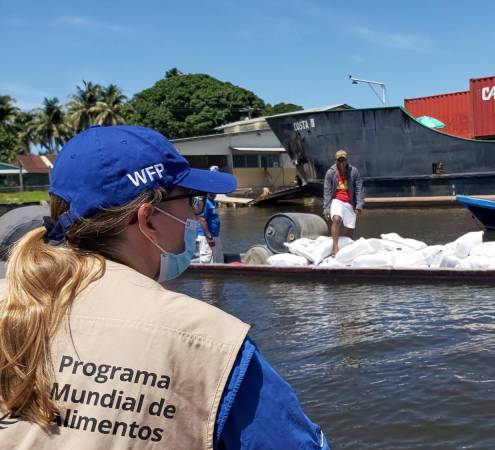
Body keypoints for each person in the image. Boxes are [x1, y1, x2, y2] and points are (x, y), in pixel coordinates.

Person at [0, 125, 329, 449]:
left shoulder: (14, 304)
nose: (195, 216)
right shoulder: (210, 343)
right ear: (148, 220)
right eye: (192, 201)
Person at [323, 149, 364, 256]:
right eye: (339, 160)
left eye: (343, 160)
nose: (341, 163)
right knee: (336, 219)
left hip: (350, 202)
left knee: (350, 229)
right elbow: (327, 191)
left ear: (346, 160)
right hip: (337, 200)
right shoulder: (330, 172)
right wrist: (326, 208)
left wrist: (359, 205)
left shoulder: (353, 171)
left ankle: (345, 251)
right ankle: (335, 248)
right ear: (336, 161)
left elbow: (359, 188)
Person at [195, 167, 224, 264]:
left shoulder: (212, 201)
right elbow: (202, 219)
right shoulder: (205, 201)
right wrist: (209, 237)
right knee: (209, 264)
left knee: (219, 263)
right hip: (207, 239)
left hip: (215, 236)